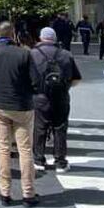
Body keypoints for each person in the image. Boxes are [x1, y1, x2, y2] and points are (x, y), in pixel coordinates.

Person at [0, 21, 39, 206]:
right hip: (22, 105)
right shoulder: (24, 53)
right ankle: (28, 193)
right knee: (25, 149)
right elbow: (36, 82)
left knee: (3, 148)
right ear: (13, 34)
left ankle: (4, 192)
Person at [31, 27, 82, 173]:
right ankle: (60, 161)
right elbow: (76, 78)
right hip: (61, 97)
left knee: (39, 128)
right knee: (60, 128)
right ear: (54, 38)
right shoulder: (66, 54)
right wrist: (65, 87)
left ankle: (38, 160)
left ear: (41, 38)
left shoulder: (32, 54)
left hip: (39, 97)